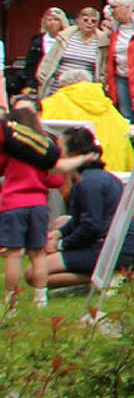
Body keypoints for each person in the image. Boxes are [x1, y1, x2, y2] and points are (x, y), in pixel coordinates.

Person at [37, 125, 134, 288]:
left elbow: (91, 226)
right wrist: (59, 233)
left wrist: (61, 245)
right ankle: (99, 275)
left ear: (74, 155)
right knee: (61, 221)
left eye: (60, 149)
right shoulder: (93, 177)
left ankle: (106, 276)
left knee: (34, 274)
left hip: (109, 248)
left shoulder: (89, 183)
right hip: (116, 243)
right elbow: (79, 219)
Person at [0, 97, 61, 309]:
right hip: (39, 204)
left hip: (13, 203)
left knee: (14, 255)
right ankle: (40, 299)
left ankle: (10, 301)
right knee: (38, 254)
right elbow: (56, 180)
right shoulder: (44, 147)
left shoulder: (10, 146)